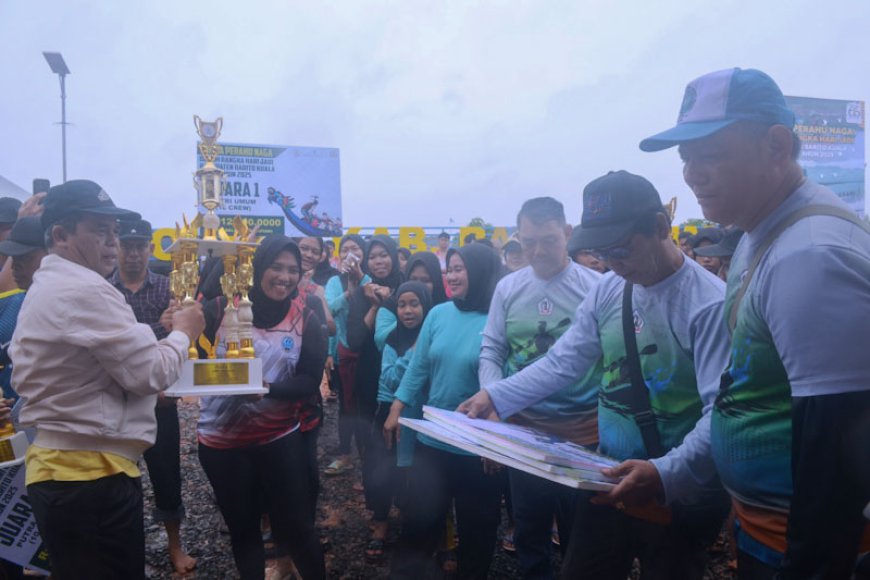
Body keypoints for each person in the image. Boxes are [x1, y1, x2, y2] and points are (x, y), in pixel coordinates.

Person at [640, 66, 870, 579]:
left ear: (776, 146)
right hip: (766, 532)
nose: (692, 174)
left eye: (711, 155)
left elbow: (839, 453)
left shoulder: (809, 254)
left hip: (806, 547)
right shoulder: (758, 235)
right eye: (686, 158)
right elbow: (744, 390)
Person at [460, 171, 731, 580]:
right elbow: (563, 363)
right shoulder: (609, 289)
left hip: (672, 491)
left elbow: (722, 412)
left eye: (622, 248)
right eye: (604, 251)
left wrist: (664, 472)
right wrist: (496, 397)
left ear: (661, 227)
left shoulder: (707, 304)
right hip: (606, 476)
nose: (613, 262)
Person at [11, 180, 204, 579]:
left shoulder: (54, 283)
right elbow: (151, 372)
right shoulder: (84, 288)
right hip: (88, 477)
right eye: (99, 231)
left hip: (70, 471)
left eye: (113, 234)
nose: (111, 244)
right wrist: (183, 332)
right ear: (61, 236)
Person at [480, 197, 602, 579]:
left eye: (548, 240)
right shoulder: (508, 288)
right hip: (525, 433)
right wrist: (494, 408)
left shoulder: (597, 287)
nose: (537, 251)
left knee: (581, 538)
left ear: (567, 233)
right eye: (529, 241)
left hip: (583, 435)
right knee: (530, 534)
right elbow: (492, 349)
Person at [196, 235, 326, 580]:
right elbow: (187, 361)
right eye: (276, 267)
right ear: (257, 268)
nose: (284, 277)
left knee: (298, 528)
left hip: (279, 438)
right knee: (243, 529)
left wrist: (268, 389)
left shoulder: (307, 319)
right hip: (222, 443)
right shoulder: (219, 310)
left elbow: (310, 380)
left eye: (292, 270)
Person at [384, 243, 503, 579]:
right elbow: (418, 368)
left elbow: (506, 382)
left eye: (460, 268)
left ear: (480, 271)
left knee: (478, 531)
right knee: (420, 524)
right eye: (449, 268)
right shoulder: (438, 314)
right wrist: (397, 407)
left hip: (477, 448)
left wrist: (496, 440)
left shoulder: (499, 318)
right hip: (434, 440)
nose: (451, 275)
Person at [110, 218, 196, 576]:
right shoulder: (102, 290)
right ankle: (120, 547)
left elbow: (182, 339)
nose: (132, 253)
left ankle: (175, 544)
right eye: (126, 245)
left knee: (166, 475)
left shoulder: (167, 287)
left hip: (160, 398)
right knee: (115, 477)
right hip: (116, 401)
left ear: (150, 248)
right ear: (116, 247)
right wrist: (158, 329)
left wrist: (172, 324)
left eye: (139, 245)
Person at [365, 281, 433, 561]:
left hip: (425, 417)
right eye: (402, 304)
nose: (407, 310)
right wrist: (413, 354)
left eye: (414, 304)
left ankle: (424, 531)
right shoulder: (392, 340)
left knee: (420, 475)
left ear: (426, 307)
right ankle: (380, 524)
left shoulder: (437, 336)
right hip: (393, 413)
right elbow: (390, 378)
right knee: (385, 472)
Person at [346, 234, 403, 559]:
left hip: (404, 380)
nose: (379, 261)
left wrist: (391, 299)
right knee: (376, 453)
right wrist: (372, 304)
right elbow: (354, 340)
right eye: (374, 257)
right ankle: (380, 518)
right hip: (370, 379)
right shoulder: (360, 296)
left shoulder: (407, 287)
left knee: (406, 450)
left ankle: (409, 509)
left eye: (385, 255)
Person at [323, 234, 369, 476]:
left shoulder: (370, 278)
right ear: (339, 255)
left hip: (368, 353)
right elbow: (328, 311)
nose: (351, 253)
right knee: (345, 406)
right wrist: (349, 293)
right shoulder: (334, 282)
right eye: (346, 249)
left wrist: (359, 283)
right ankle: (345, 455)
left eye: (356, 249)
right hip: (343, 351)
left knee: (367, 406)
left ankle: (368, 461)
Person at [0, 216, 47, 401]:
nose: (15, 267)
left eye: (25, 257)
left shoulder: (74, 304)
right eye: (14, 257)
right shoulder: (7, 305)